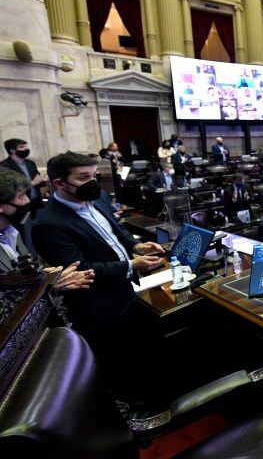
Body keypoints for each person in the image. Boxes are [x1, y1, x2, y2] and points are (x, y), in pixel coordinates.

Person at [32, 152, 165, 397]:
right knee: (117, 363)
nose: (92, 182)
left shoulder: (97, 199)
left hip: (125, 292)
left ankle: (152, 394)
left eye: (94, 175)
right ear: (59, 183)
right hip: (98, 306)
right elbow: (80, 268)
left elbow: (116, 232)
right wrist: (131, 265)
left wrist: (135, 246)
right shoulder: (47, 224)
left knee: (143, 349)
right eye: (83, 177)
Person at [0, 167, 95, 289]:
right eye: (21, 196)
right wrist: (48, 286)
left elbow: (31, 270)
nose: (27, 201)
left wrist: (55, 276)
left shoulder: (11, 231)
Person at [1, 138, 47, 217]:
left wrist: (43, 180)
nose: (26, 149)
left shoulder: (31, 163)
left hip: (36, 201)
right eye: (22, 147)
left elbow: (38, 180)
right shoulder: (4, 166)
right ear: (12, 150)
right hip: (20, 204)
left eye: (26, 147)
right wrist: (33, 183)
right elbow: (9, 189)